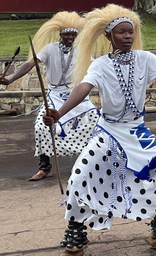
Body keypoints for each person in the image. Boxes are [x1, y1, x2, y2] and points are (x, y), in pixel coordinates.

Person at [44, 4, 156, 256]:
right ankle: (75, 242)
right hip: (108, 132)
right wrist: (60, 112)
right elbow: (84, 88)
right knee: (80, 178)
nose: (127, 37)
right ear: (109, 36)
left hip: (137, 131)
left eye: (130, 32)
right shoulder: (100, 65)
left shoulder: (145, 59)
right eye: (122, 33)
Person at [1, 11, 99, 181]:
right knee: (41, 127)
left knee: (95, 124)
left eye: (73, 34)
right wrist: (10, 79)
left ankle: (92, 164)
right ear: (60, 34)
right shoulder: (49, 49)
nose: (70, 37)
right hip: (54, 95)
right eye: (67, 34)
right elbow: (30, 64)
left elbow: (96, 68)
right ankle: (45, 168)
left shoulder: (82, 50)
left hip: (76, 95)